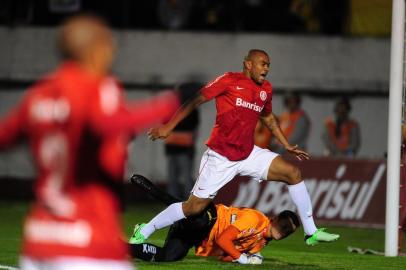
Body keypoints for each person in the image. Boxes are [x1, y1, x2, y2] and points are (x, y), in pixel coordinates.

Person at [0, 14, 184, 270]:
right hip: (87, 242)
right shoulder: (97, 88)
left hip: (40, 240)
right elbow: (104, 122)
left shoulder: (38, 95)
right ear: (97, 49)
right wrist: (170, 103)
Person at [131, 49, 339, 253]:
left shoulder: (265, 89)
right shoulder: (228, 80)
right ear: (248, 64)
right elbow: (196, 99)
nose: (266, 68)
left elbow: (267, 118)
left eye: (268, 65)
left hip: (248, 154)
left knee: (293, 174)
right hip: (220, 157)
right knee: (193, 208)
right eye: (262, 63)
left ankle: (311, 231)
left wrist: (285, 144)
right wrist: (169, 127)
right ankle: (145, 229)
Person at [128, 174, 299, 264]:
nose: (283, 231)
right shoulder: (256, 220)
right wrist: (243, 259)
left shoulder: (260, 244)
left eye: (287, 231)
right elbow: (224, 239)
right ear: (274, 218)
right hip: (210, 216)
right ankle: (147, 226)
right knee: (198, 218)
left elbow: (224, 256)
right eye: (283, 225)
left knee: (168, 257)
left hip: (198, 237)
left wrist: (239, 257)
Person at [164, 82, 200, 199]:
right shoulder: (172, 108)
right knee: (173, 177)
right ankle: (172, 201)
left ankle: (188, 201)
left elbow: (191, 125)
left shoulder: (190, 110)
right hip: (173, 148)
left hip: (184, 149)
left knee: (186, 177)